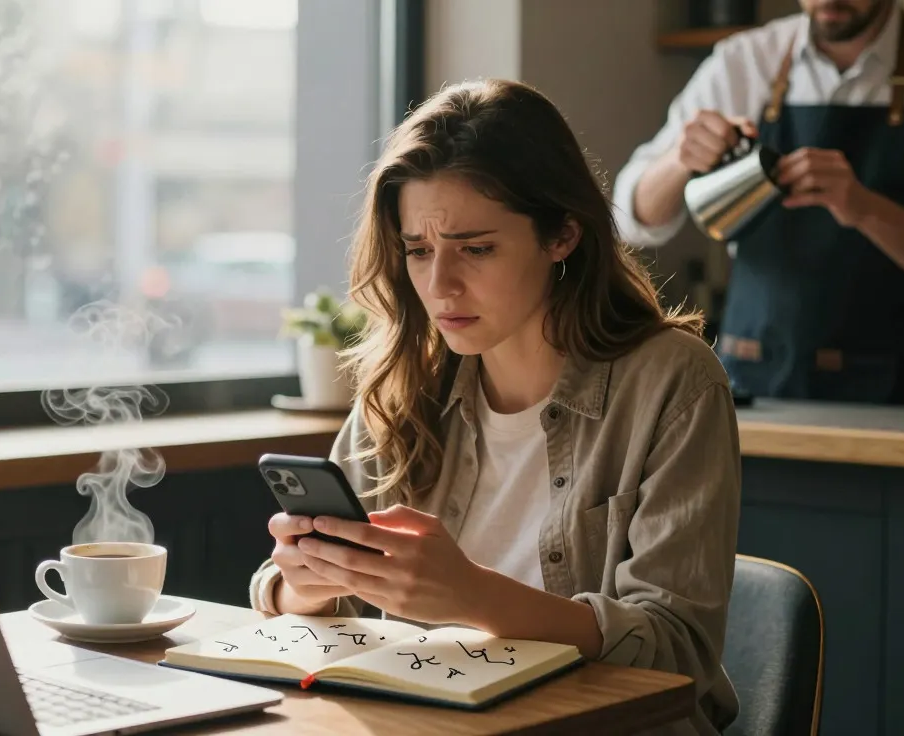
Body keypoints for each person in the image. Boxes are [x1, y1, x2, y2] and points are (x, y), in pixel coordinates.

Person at [248, 79, 742, 736]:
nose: (439, 284)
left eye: (475, 249)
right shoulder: (406, 383)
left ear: (562, 234)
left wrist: (473, 596)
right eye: (419, 251)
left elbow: (677, 650)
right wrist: (301, 583)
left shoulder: (672, 382)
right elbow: (279, 597)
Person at [613, 0, 904, 407]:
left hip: (897, 398)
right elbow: (631, 217)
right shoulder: (743, 61)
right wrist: (679, 158)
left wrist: (865, 208)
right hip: (747, 386)